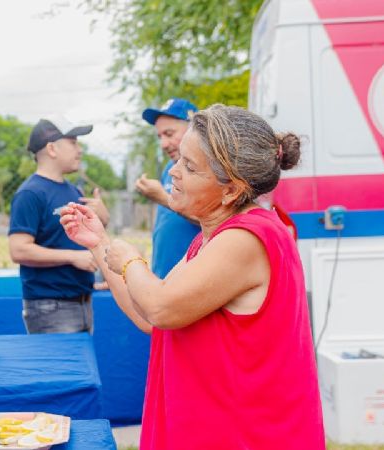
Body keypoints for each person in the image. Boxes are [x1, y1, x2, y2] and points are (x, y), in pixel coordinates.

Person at [60, 105, 324, 448]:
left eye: (189, 166)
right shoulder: (211, 236)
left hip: (246, 435)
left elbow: (160, 307)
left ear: (231, 190)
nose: (173, 172)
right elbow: (149, 317)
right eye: (178, 160)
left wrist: (131, 261)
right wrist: (100, 245)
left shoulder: (246, 237)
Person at [8, 118, 109, 334]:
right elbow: (18, 249)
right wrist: (73, 257)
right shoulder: (30, 193)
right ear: (52, 148)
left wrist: (103, 217)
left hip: (83, 301)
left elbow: (88, 237)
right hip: (50, 307)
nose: (79, 150)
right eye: (73, 142)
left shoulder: (74, 191)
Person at [136, 98, 201, 278]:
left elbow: (215, 219)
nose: (163, 144)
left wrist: (162, 198)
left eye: (169, 134)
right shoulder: (170, 168)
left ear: (193, 129)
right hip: (164, 278)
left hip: (192, 282)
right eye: (160, 136)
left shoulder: (208, 169)